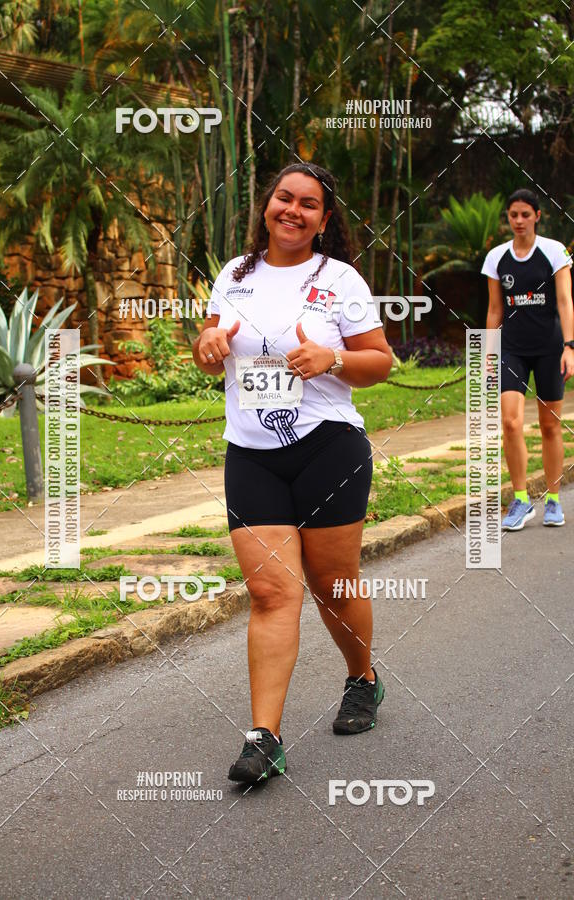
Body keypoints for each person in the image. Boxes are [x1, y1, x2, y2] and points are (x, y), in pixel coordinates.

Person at [192, 163, 393, 785]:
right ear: (267, 205)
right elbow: (210, 350)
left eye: (309, 204)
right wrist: (205, 347)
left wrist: (332, 356)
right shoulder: (234, 275)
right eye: (285, 198)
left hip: (328, 447)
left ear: (323, 220)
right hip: (251, 453)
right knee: (272, 593)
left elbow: (380, 362)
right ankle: (265, 738)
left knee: (333, 585)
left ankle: (362, 678)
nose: (293, 211)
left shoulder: (340, 279)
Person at [482, 188, 574, 530]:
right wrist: (489, 354)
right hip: (512, 349)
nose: (518, 221)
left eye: (525, 214)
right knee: (511, 422)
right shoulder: (496, 257)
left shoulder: (554, 252)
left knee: (550, 425)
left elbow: (565, 301)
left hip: (550, 348)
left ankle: (552, 499)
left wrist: (570, 346)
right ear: (508, 217)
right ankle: (520, 499)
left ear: (537, 215)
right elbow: (495, 309)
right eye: (513, 215)